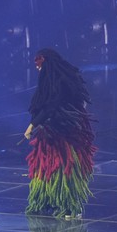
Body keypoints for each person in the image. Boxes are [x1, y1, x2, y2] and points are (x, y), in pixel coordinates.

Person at [24, 48, 96, 219]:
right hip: (50, 133)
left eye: (38, 64)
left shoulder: (59, 82)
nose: (37, 68)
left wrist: (32, 125)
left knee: (64, 167)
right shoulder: (54, 81)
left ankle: (69, 205)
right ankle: (45, 201)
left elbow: (51, 106)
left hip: (64, 132)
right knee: (46, 167)